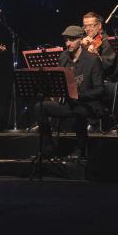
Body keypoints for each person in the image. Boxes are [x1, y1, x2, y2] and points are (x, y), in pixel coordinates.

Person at [34, 26, 105, 159]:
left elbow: (100, 90)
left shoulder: (92, 60)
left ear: (80, 40)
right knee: (40, 107)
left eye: (71, 40)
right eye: (66, 40)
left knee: (78, 113)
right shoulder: (64, 57)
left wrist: (78, 95)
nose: (68, 43)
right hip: (70, 103)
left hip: (89, 104)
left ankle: (81, 148)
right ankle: (48, 148)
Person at [81, 12, 117, 77]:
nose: (87, 29)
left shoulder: (107, 41)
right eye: (85, 26)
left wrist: (95, 54)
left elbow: (107, 65)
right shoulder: (84, 40)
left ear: (99, 25)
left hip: (104, 79)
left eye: (91, 25)